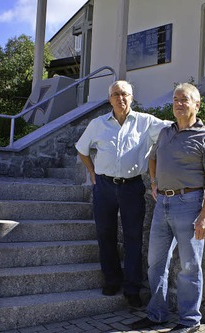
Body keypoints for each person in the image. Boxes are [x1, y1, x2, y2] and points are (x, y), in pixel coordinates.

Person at [130, 83, 205, 333]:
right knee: (155, 263)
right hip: (163, 204)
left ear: (197, 105)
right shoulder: (166, 133)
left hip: (189, 205)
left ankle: (190, 321)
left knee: (190, 266)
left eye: (185, 100)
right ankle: (157, 314)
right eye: (175, 99)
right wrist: (155, 182)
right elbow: (153, 158)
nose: (179, 104)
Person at [75, 80, 169, 308]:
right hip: (104, 187)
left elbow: (173, 127)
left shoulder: (146, 122)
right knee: (105, 234)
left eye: (125, 94)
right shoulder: (98, 124)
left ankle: (132, 288)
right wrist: (92, 172)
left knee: (133, 237)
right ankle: (111, 280)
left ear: (132, 98)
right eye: (116, 94)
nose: (121, 98)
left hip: (132, 187)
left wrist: (200, 127)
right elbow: (81, 149)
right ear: (110, 99)